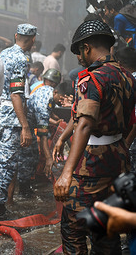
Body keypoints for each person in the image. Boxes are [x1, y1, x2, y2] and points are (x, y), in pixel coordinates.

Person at [53, 19, 135, 254]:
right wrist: (62, 137)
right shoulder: (127, 78)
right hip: (118, 159)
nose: (79, 57)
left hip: (92, 164)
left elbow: (86, 124)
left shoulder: (92, 78)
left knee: (73, 227)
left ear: (87, 48)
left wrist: (67, 173)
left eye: (80, 52)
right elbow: (83, 114)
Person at [0, 23, 37, 219]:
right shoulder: (20, 58)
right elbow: (16, 94)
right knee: (7, 164)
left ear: (16, 35)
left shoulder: (3, 53)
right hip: (11, 118)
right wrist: (25, 126)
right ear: (33, 40)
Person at [26, 69, 63, 181]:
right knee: (27, 160)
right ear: (55, 90)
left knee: (33, 156)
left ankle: (32, 180)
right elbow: (43, 136)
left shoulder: (45, 91)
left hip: (30, 127)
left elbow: (48, 111)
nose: (61, 101)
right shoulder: (45, 100)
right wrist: (48, 158)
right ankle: (25, 188)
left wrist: (55, 118)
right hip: (25, 129)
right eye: (61, 98)